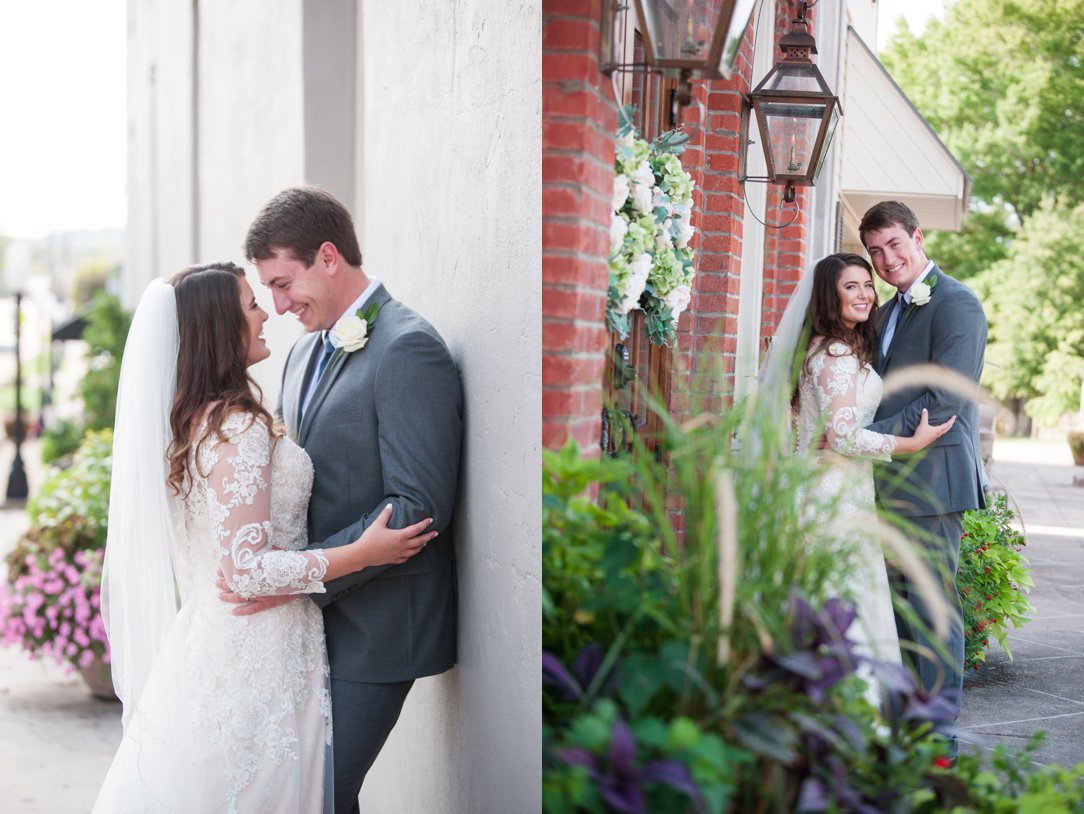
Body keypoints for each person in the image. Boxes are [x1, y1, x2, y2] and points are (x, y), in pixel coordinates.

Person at [93, 264, 437, 813]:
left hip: (220, 640)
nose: (265, 315)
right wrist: (362, 553)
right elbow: (246, 570)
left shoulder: (190, 424)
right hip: (260, 647)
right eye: (252, 304)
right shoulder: (237, 428)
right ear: (220, 329)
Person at [227, 186, 463, 814]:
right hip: (308, 618)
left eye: (283, 283)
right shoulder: (303, 353)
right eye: (267, 291)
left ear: (328, 256)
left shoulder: (409, 348)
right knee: (306, 793)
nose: (276, 306)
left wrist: (303, 578)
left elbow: (415, 507)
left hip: (382, 627)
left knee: (320, 793)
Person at [791, 252, 954, 705]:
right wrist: (911, 443)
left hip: (834, 489)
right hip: (835, 495)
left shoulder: (825, 348)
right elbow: (842, 437)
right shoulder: (837, 355)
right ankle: (846, 714)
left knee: (839, 602)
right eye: (851, 286)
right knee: (846, 603)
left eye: (867, 285)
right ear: (830, 295)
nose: (865, 294)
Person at [861, 200, 988, 749]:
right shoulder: (886, 312)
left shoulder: (958, 305)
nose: (887, 260)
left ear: (917, 236)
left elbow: (943, 404)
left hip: (932, 484)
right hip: (885, 481)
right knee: (898, 610)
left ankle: (937, 735)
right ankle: (907, 722)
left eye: (893, 244)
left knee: (932, 609)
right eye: (875, 252)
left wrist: (862, 440)